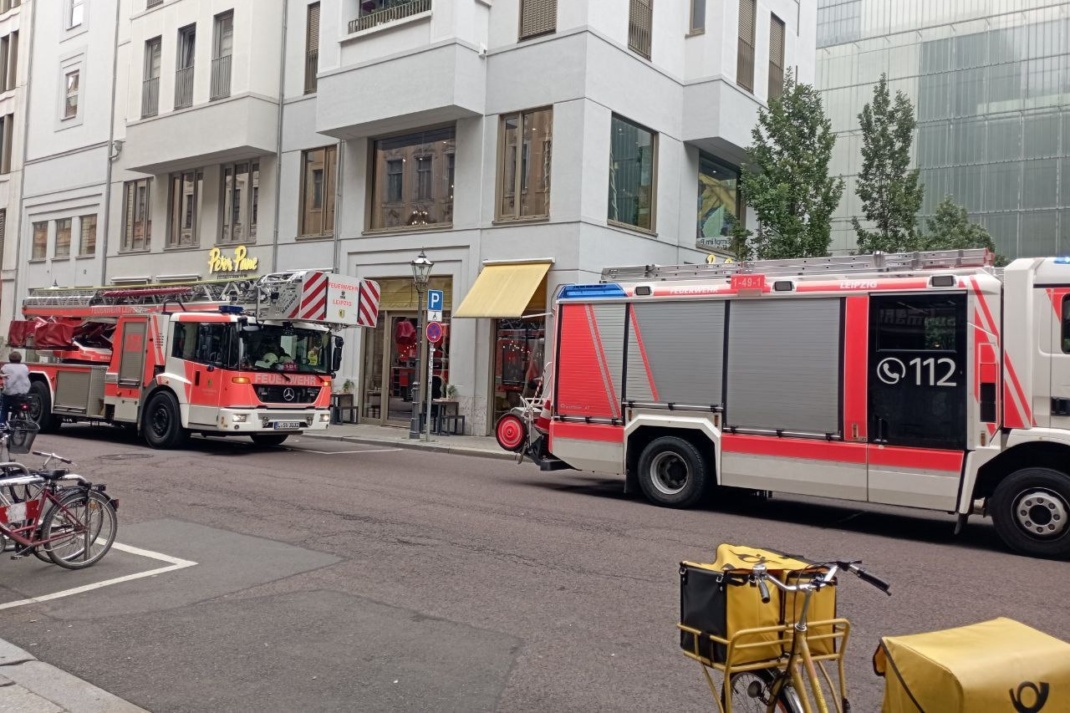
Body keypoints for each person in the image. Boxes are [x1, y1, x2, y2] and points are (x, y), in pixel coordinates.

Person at [0, 351, 32, 426]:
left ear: (9, 358)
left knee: (4, 408)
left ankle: (2, 425)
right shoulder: (25, 367)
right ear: (20, 359)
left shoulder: (6, 367)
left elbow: (2, 373)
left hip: (10, 393)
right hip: (24, 393)